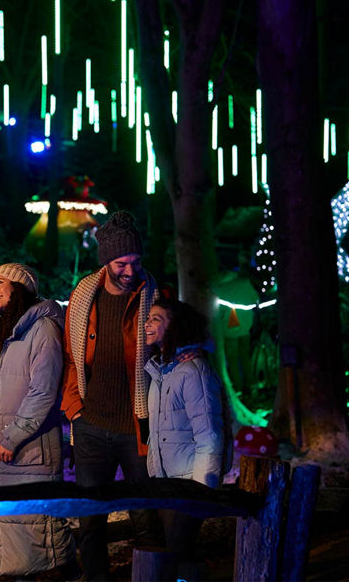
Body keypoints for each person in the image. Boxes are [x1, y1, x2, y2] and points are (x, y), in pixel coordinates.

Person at [59, 211, 163, 581]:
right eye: (122, 263)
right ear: (106, 261)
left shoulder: (154, 297)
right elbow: (71, 358)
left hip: (137, 428)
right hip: (91, 425)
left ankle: (150, 577)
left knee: (146, 516)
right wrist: (74, 409)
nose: (130, 270)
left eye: (136, 262)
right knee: (91, 522)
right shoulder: (84, 295)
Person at [0, 263, 75, 577]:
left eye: (0, 282)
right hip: (7, 454)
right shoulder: (13, 332)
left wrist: (13, 437)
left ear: (20, 286)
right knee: (14, 537)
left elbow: (43, 391)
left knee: (35, 543)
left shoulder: (43, 329)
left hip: (29, 452)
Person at [143, 298, 233, 570]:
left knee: (180, 555)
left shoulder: (194, 372)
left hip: (188, 483)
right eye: (148, 318)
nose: (147, 323)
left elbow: (209, 435)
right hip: (166, 480)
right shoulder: (162, 371)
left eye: (156, 319)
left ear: (175, 327)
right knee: (174, 554)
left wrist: (202, 490)